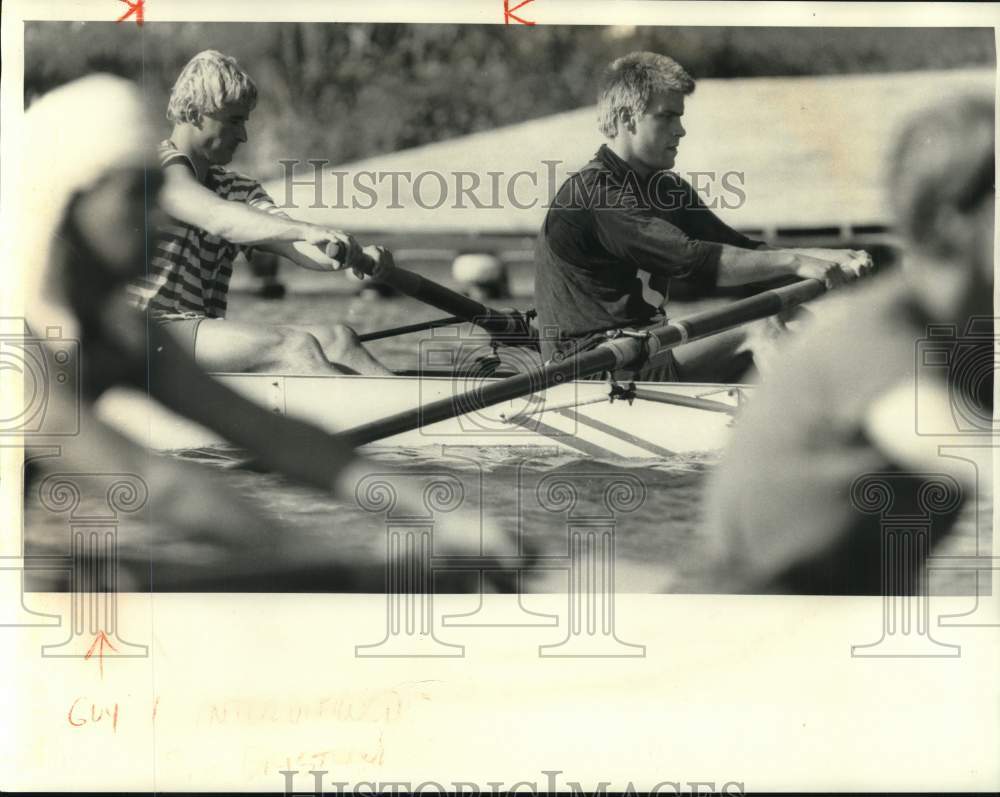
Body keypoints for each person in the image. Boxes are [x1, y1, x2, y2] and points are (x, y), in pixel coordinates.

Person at [14, 74, 518, 581]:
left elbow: (269, 434)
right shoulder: (19, 338)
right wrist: (319, 555)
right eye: (136, 197)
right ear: (66, 201)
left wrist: (441, 510)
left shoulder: (118, 328)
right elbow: (155, 484)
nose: (160, 222)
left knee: (337, 339)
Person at [698, 91, 994, 595]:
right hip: (746, 633)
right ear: (953, 222)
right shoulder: (882, 329)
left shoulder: (971, 337)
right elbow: (966, 450)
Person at [534, 51, 873, 382]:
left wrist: (826, 257)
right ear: (627, 119)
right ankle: (810, 431)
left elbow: (737, 248)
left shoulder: (665, 189)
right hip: (587, 370)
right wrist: (795, 263)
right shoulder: (596, 195)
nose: (680, 130)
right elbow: (693, 260)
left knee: (796, 319)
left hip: (643, 350)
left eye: (680, 117)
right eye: (667, 116)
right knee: (760, 327)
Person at [126, 49, 392, 376]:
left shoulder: (239, 188)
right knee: (295, 347)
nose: (243, 135)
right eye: (234, 120)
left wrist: (355, 255)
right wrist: (306, 230)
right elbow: (218, 217)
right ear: (195, 114)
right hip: (144, 336)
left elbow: (293, 242)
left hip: (199, 334)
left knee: (339, 339)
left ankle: (413, 414)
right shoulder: (152, 170)